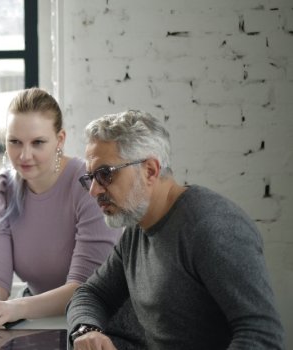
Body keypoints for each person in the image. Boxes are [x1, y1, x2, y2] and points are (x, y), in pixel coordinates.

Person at [67, 110, 284, 349]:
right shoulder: (137, 229)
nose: (94, 191)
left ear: (150, 170)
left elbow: (262, 335)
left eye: (105, 174)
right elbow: (92, 294)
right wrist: (86, 329)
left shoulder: (211, 227)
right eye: (91, 177)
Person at [0, 87, 122, 329]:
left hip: (94, 323)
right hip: (37, 321)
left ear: (60, 140)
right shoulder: (3, 191)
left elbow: (83, 288)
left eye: (38, 142)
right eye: (15, 142)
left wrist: (14, 308)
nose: (25, 155)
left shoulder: (89, 187)